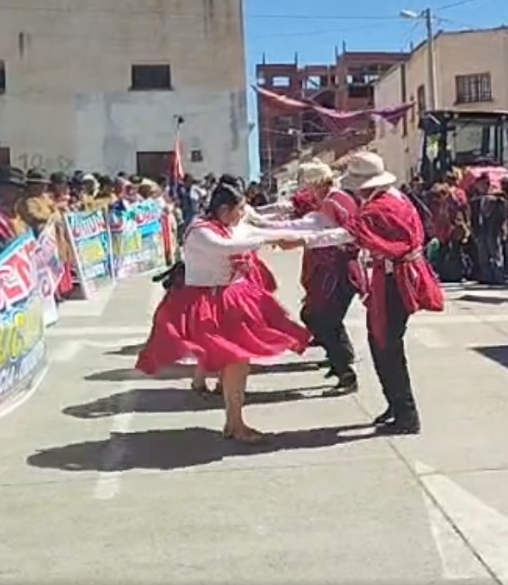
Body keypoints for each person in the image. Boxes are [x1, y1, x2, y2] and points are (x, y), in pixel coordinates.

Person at [286, 152, 445, 435]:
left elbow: (348, 234)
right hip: (392, 277)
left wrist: (303, 239)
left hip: (395, 280)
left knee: (386, 345)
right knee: (381, 343)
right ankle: (397, 406)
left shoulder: (382, 207)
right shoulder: (392, 199)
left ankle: (406, 414)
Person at [136, 183, 310, 442]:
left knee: (237, 363)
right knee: (235, 360)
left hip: (230, 299)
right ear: (224, 209)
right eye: (239, 209)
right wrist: (270, 238)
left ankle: (234, 421)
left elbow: (264, 229)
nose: (243, 214)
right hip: (204, 303)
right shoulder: (201, 232)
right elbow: (230, 247)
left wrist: (320, 233)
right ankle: (235, 422)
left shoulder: (229, 226)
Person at [259, 161, 362, 394]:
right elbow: (300, 220)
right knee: (321, 317)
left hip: (338, 270)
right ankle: (340, 361)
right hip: (331, 269)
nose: (306, 191)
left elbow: (307, 226)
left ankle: (346, 371)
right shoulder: (332, 201)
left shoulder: (334, 202)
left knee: (321, 318)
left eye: (308, 185)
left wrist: (263, 229)